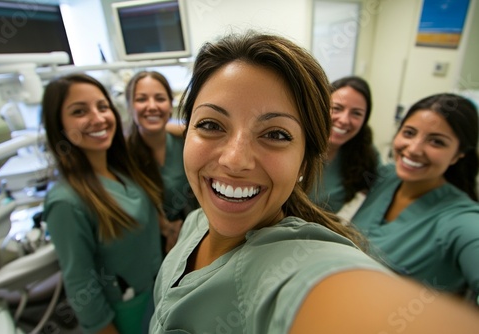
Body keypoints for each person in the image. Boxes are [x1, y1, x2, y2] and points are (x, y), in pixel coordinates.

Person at [149, 31, 479, 334]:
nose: (234, 160)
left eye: (275, 134)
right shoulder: (195, 223)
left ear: (305, 161)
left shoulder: (295, 262)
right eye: (211, 124)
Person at [41, 73, 164, 334]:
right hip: (125, 312)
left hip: (157, 292)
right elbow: (81, 285)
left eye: (102, 107)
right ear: (58, 125)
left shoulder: (120, 171)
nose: (98, 119)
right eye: (79, 111)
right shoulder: (66, 202)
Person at [352, 93, 479, 301]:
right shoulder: (387, 177)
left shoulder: (460, 220)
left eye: (436, 142)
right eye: (409, 133)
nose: (414, 149)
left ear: (458, 154)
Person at [125, 71, 198, 253]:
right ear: (129, 106)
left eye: (160, 98)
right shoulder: (123, 157)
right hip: (149, 247)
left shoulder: (185, 142)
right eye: (141, 99)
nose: (152, 106)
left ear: (170, 104)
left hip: (195, 232)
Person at [309, 76, 379, 217]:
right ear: (321, 107)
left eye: (356, 113)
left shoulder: (366, 155)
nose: (344, 120)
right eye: (337, 108)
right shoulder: (297, 144)